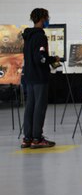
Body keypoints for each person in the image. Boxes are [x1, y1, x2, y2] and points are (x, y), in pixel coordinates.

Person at [21, 8, 59, 149]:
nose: (48, 19)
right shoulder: (40, 36)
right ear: (43, 18)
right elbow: (40, 58)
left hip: (29, 76)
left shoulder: (28, 36)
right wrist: (52, 59)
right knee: (39, 107)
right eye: (47, 17)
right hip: (39, 77)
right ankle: (37, 138)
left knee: (30, 106)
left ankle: (27, 138)